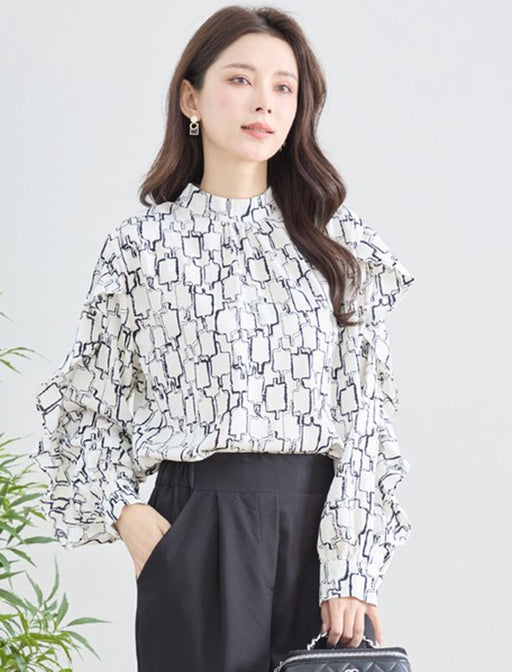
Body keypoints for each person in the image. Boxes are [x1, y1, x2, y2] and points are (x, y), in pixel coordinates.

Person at [30, 5, 416, 672]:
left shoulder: (337, 244)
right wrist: (131, 518)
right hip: (196, 530)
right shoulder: (143, 247)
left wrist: (353, 566)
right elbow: (85, 409)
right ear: (191, 98)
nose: (264, 102)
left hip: (318, 531)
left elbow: (366, 414)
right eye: (240, 79)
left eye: (283, 87)